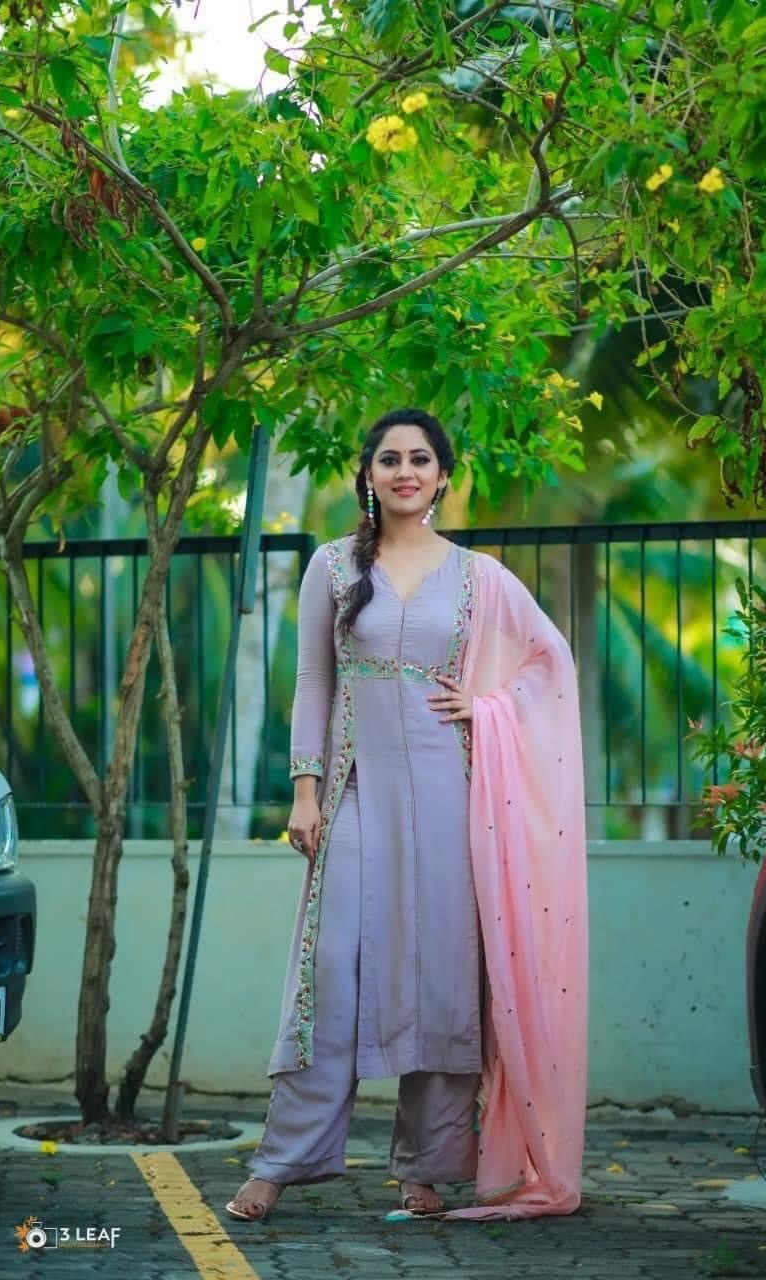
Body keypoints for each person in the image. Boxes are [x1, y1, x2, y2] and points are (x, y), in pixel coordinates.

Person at [227, 408, 588, 1224]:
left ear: (441, 476)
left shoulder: (478, 576)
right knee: (330, 972)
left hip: (450, 791)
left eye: (419, 459)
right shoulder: (332, 566)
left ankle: (425, 1167)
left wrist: (488, 706)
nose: (404, 472)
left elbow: (549, 660)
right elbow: (313, 681)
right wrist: (305, 788)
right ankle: (282, 1162)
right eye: (389, 459)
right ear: (368, 474)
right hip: (357, 789)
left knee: (443, 977)